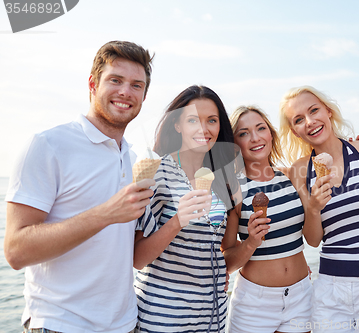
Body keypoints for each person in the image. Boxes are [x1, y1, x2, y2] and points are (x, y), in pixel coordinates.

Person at [4, 41, 154, 333]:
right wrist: (106, 214)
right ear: (92, 83)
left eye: (137, 85)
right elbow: (15, 251)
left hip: (124, 324)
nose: (126, 92)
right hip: (61, 324)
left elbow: (129, 252)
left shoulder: (133, 158)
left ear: (145, 96)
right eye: (115, 80)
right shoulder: (48, 145)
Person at [279, 86, 359, 332]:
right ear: (295, 131)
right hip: (330, 290)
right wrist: (314, 208)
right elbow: (313, 241)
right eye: (299, 120)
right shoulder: (300, 170)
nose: (310, 121)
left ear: (328, 111)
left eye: (314, 110)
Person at [133, 85, 240, 333]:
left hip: (212, 320)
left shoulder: (221, 178)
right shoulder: (157, 171)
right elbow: (138, 259)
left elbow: (220, 249)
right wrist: (177, 221)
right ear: (178, 125)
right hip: (164, 319)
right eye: (193, 120)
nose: (204, 129)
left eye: (211, 120)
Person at [222, 105, 313, 333]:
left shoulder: (292, 176)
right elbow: (228, 262)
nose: (255, 138)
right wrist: (251, 242)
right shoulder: (232, 189)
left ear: (270, 133)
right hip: (255, 303)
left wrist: (350, 147)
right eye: (243, 133)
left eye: (260, 128)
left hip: (302, 296)